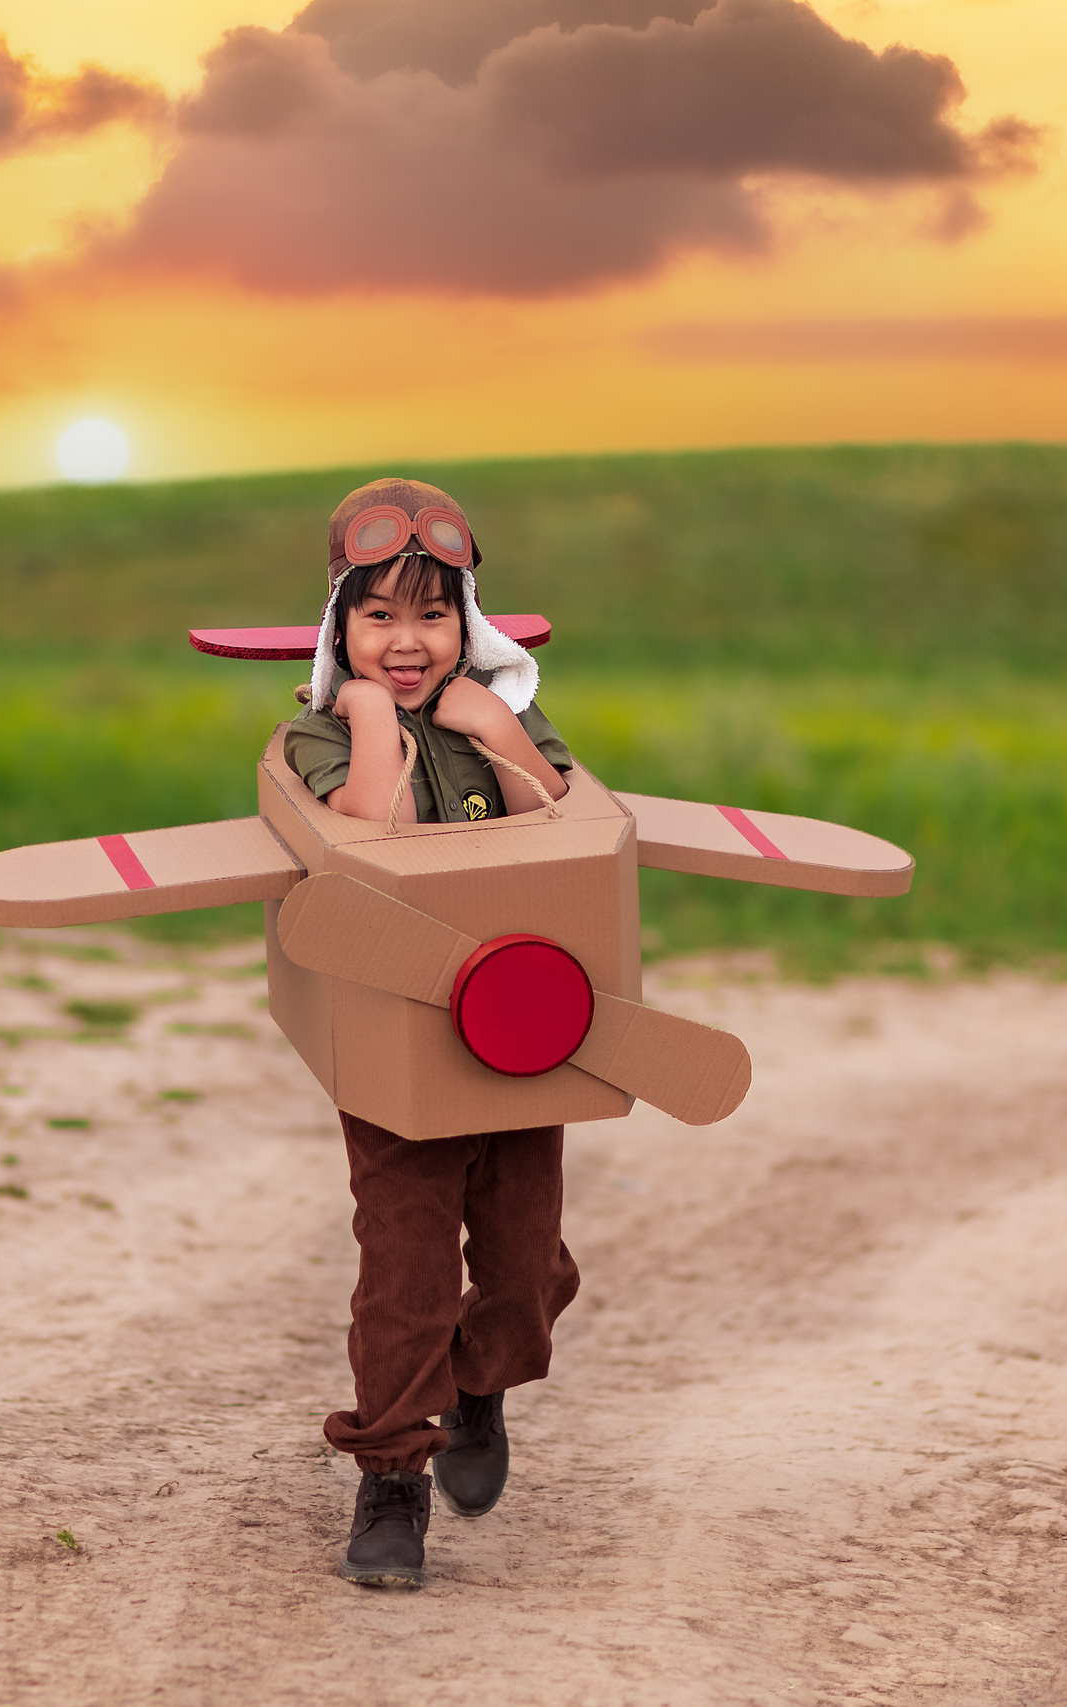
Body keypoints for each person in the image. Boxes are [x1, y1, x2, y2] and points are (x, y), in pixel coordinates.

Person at [279, 477, 586, 1590]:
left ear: (466, 624)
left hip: (517, 1037)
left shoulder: (504, 711)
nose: (406, 642)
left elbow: (564, 827)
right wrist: (373, 722)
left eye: (431, 613)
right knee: (403, 1263)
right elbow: (376, 836)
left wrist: (496, 725)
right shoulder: (317, 730)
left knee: (519, 1259)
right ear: (339, 628)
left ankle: (481, 1382)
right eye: (378, 616)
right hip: (395, 1038)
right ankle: (391, 1478)